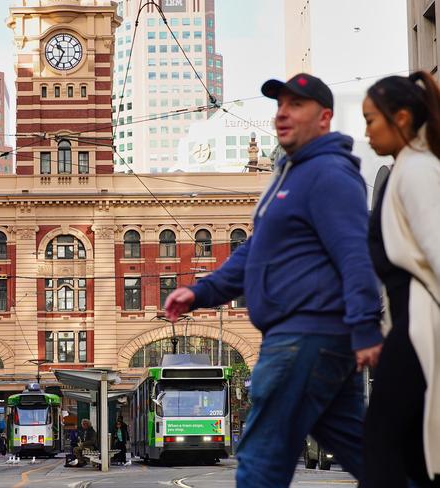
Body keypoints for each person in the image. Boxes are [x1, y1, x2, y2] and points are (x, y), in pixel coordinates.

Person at [165, 73, 383, 488]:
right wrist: (200, 291)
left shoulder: (328, 175)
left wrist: (365, 325)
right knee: (367, 454)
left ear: (324, 118)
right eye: (279, 105)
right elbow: (253, 253)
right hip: (315, 338)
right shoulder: (290, 176)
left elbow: (355, 252)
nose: (282, 114)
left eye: (295, 105)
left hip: (305, 336)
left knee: (261, 457)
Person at [361, 72, 440, 488]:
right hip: (408, 328)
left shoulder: (417, 173)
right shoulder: (402, 172)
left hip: (421, 329)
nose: (366, 132)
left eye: (372, 120)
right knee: (409, 450)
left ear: (403, 118)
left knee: (384, 446)